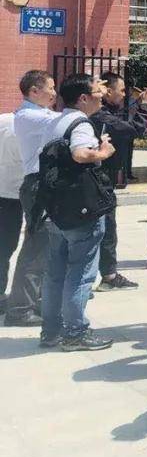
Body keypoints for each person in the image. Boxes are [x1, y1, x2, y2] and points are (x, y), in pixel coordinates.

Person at [39, 74, 115, 351]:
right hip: (81, 210)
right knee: (81, 273)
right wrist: (103, 152)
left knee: (55, 273)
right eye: (97, 93)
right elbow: (80, 154)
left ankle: (51, 331)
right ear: (83, 98)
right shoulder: (81, 123)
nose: (101, 96)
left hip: (55, 208)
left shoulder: (55, 121)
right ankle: (75, 333)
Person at [5, 70, 59, 327]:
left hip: (41, 186)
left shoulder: (40, 114)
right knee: (36, 247)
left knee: (44, 246)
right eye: (51, 88)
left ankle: (34, 300)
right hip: (36, 187)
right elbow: (68, 121)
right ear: (34, 91)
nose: (54, 93)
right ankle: (20, 310)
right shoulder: (29, 116)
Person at [90, 71, 147, 292]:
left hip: (102, 179)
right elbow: (133, 130)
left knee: (103, 229)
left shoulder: (104, 114)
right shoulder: (101, 117)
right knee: (105, 229)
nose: (125, 94)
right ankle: (107, 276)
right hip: (99, 181)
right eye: (122, 90)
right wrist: (144, 107)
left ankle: (107, 274)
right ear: (107, 91)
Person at [0, 112, 25, 316]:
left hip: (10, 192)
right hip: (13, 193)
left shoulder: (3, 119)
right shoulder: (33, 125)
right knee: (6, 246)